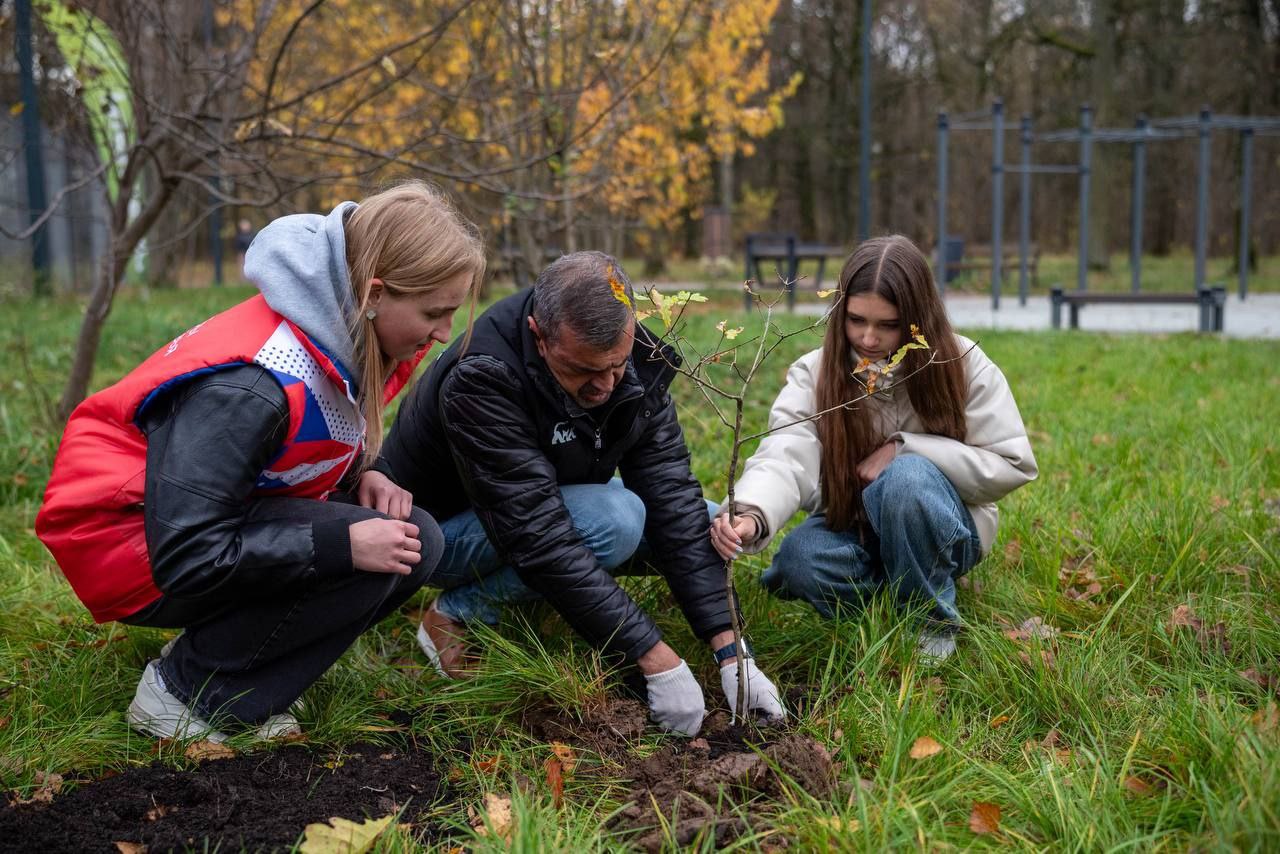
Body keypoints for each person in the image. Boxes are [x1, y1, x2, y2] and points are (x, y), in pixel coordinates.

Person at [36, 182, 485, 742]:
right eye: (434, 312)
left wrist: (361, 475)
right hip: (129, 545)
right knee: (372, 544)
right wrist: (340, 543)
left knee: (412, 538)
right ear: (374, 293)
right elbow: (187, 553)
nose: (443, 334)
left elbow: (282, 456)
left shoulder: (338, 332)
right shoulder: (253, 386)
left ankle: (232, 658)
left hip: (180, 526)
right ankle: (185, 693)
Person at [380, 251, 784, 736]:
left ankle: (554, 605)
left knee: (705, 520)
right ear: (538, 334)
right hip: (437, 535)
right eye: (582, 371)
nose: (605, 385)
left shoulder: (636, 365)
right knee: (614, 520)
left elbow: (670, 498)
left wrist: (730, 651)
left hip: (546, 506)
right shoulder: (482, 376)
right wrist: (652, 655)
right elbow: (537, 535)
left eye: (615, 365)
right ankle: (459, 611)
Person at [710, 235, 1037, 662]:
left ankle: (928, 620)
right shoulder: (816, 371)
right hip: (855, 525)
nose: (867, 338)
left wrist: (906, 449)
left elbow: (1011, 463)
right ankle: (896, 598)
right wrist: (752, 511)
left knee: (907, 479)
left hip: (948, 529)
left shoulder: (964, 363)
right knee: (798, 561)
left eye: (887, 325)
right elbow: (788, 449)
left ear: (918, 317)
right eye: (856, 319)